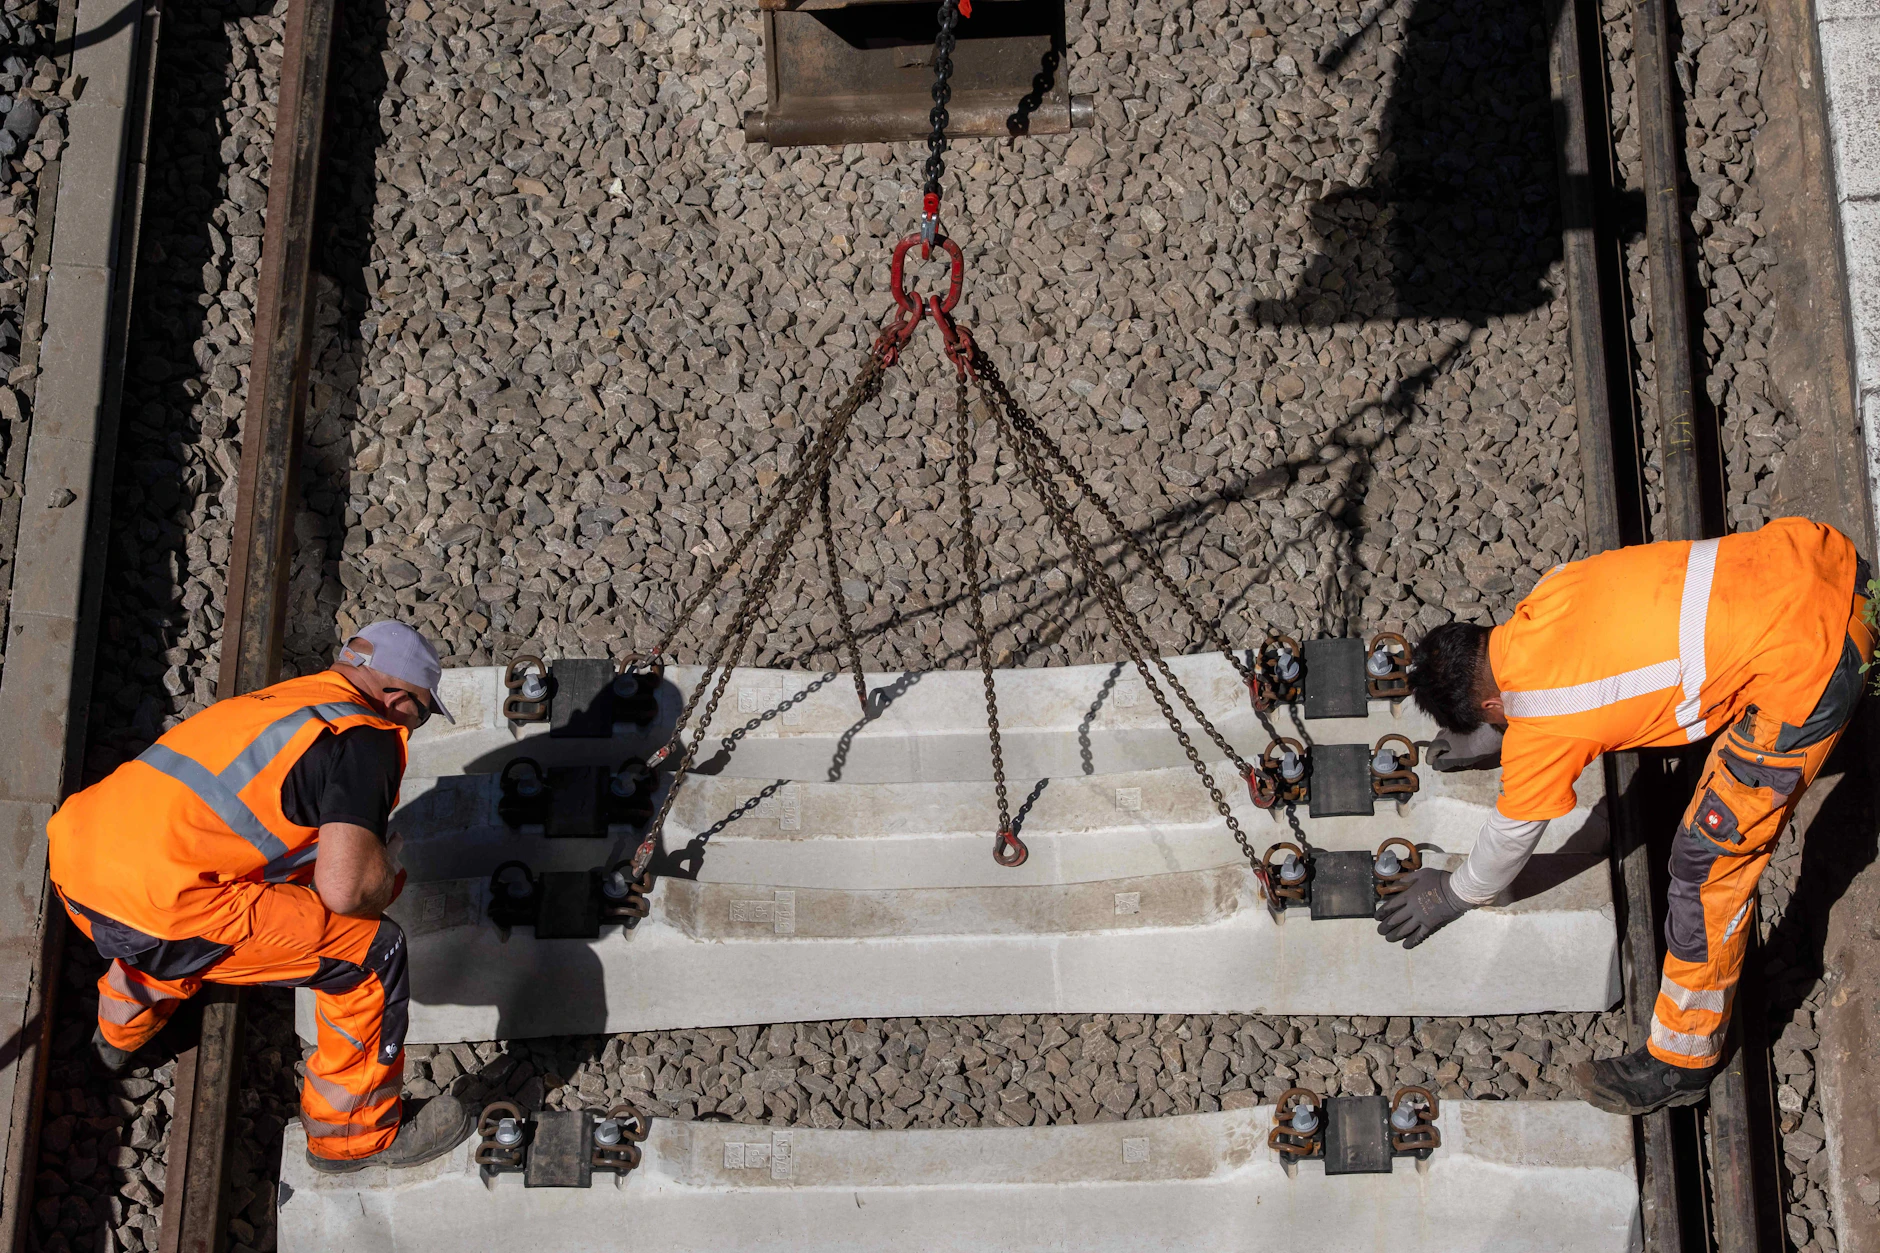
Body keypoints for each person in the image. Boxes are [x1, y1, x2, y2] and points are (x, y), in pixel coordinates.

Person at [1378, 517, 1870, 1115]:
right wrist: (1499, 733)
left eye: (1491, 720)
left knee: (1705, 863)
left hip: (1815, 666)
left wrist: (1454, 894)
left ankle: (1681, 1062)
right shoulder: (1553, 590)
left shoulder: (1544, 723)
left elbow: (1509, 840)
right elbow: (1596, 669)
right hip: (1820, 561)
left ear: (1490, 706)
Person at [47, 620, 473, 1172]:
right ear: (395, 698)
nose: (417, 725)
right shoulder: (367, 736)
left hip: (78, 866)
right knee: (373, 952)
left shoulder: (287, 699)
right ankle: (352, 1135)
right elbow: (346, 891)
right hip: (160, 911)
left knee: (219, 897)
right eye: (421, 710)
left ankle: (119, 1033)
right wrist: (383, 879)